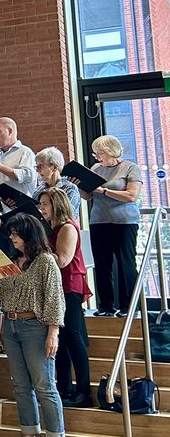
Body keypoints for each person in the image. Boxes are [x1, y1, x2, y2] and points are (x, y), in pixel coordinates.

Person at [0, 213, 67, 437]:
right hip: (11, 324)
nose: (11, 237)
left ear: (28, 234)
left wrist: (53, 332)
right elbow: (3, 298)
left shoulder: (45, 261)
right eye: (10, 233)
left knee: (44, 384)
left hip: (35, 324)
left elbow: (55, 298)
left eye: (16, 233)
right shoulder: (11, 262)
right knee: (21, 385)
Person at [74, 134, 142, 317]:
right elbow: (89, 196)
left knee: (125, 263)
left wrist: (103, 190)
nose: (96, 157)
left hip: (124, 222)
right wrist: (80, 185)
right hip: (99, 221)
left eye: (99, 153)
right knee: (102, 264)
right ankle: (106, 306)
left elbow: (131, 196)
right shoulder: (96, 168)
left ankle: (129, 306)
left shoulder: (130, 168)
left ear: (110, 151)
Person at [39, 188, 92, 408]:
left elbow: (62, 260)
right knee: (61, 338)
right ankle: (64, 387)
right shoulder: (51, 228)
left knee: (73, 336)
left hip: (69, 284)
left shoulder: (68, 227)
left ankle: (84, 390)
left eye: (45, 204)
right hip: (57, 285)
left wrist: (36, 248)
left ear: (57, 205)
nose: (41, 208)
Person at [0, 117, 38, 197]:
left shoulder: (25, 152)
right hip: (2, 205)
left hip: (21, 205)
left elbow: (29, 176)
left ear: (10, 131)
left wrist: (0, 167)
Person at [33, 147, 82, 215]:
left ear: (54, 168)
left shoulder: (70, 188)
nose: (37, 170)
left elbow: (68, 215)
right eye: (36, 167)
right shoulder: (39, 189)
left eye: (41, 166)